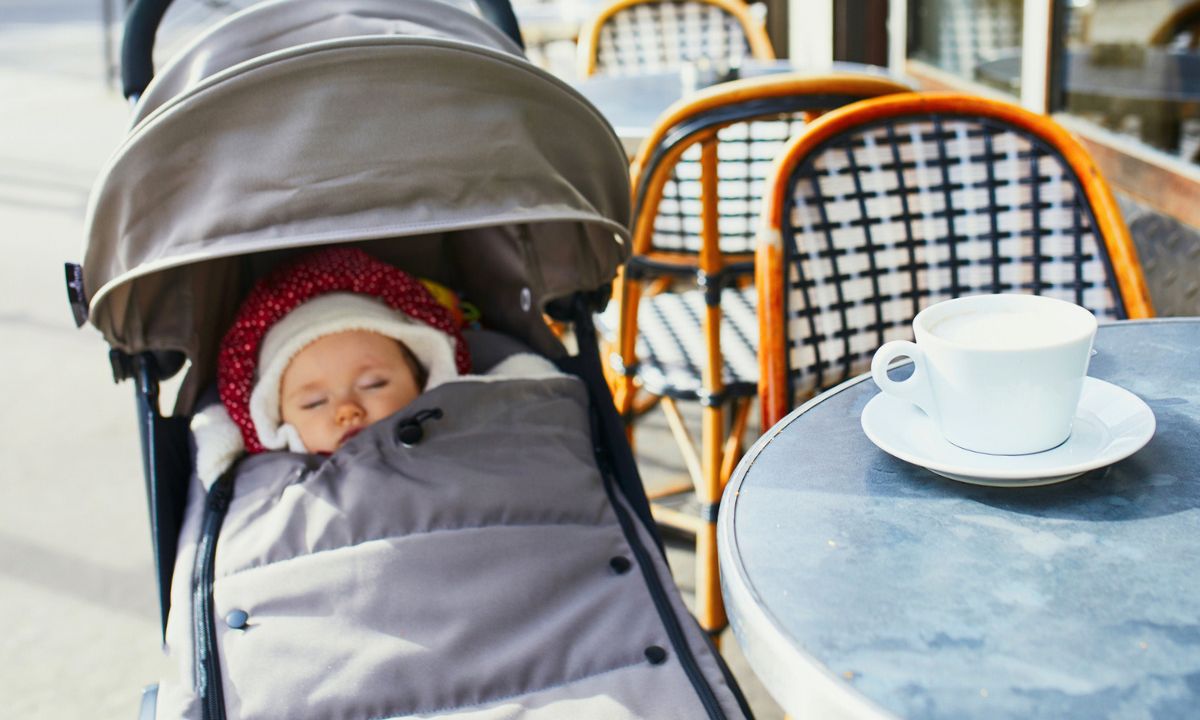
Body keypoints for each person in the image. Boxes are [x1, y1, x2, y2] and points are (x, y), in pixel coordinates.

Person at [190, 245, 552, 480]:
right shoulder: (272, 480)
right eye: (314, 402)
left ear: (423, 379)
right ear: (277, 420)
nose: (347, 411)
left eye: (374, 384)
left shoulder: (468, 419)